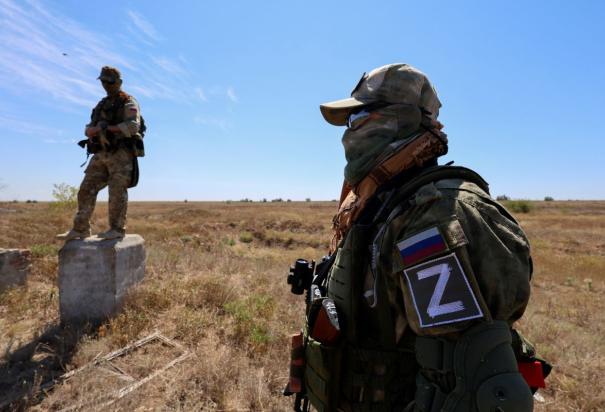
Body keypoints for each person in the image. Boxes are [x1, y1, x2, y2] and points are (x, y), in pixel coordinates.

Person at [285, 63, 549, 412]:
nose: (350, 132)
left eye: (359, 117)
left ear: (401, 118)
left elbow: (468, 387)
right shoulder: (379, 201)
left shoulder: (437, 216)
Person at [57, 66, 143, 241]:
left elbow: (133, 126)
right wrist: (91, 130)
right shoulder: (101, 104)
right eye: (103, 81)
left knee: (117, 190)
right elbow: (88, 127)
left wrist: (107, 129)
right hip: (100, 153)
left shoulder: (128, 101)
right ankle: (80, 229)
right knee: (86, 189)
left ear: (119, 82)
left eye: (109, 81)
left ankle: (117, 229)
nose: (106, 85)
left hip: (120, 154)